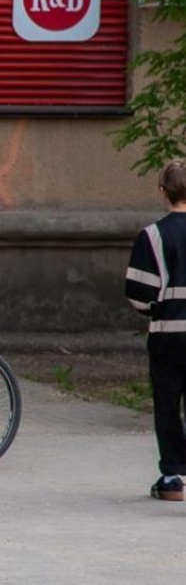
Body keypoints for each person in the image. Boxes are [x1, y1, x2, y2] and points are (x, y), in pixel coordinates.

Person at [125, 159, 186, 501]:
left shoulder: (153, 236)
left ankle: (175, 477)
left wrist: (154, 309)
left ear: (163, 191)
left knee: (167, 404)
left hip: (168, 334)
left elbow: (138, 293)